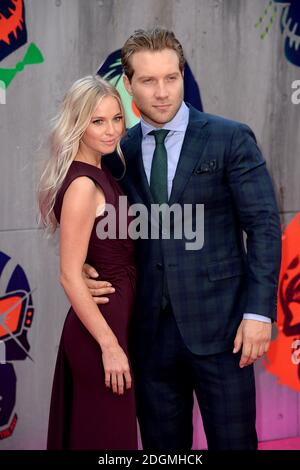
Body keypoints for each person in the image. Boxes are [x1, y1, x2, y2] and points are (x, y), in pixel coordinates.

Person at [83, 28, 282, 450]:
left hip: (225, 331)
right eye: (148, 81)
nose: (161, 92)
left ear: (182, 75)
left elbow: (263, 225)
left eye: (170, 78)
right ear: (129, 85)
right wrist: (87, 265)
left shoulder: (229, 137)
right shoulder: (121, 151)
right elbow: (114, 227)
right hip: (149, 336)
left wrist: (259, 314)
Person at [38, 76, 138, 450]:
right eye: (98, 121)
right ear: (77, 123)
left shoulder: (103, 173)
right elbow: (68, 274)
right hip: (100, 332)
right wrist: (110, 346)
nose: (111, 130)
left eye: (116, 118)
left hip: (113, 324)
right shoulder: (83, 185)